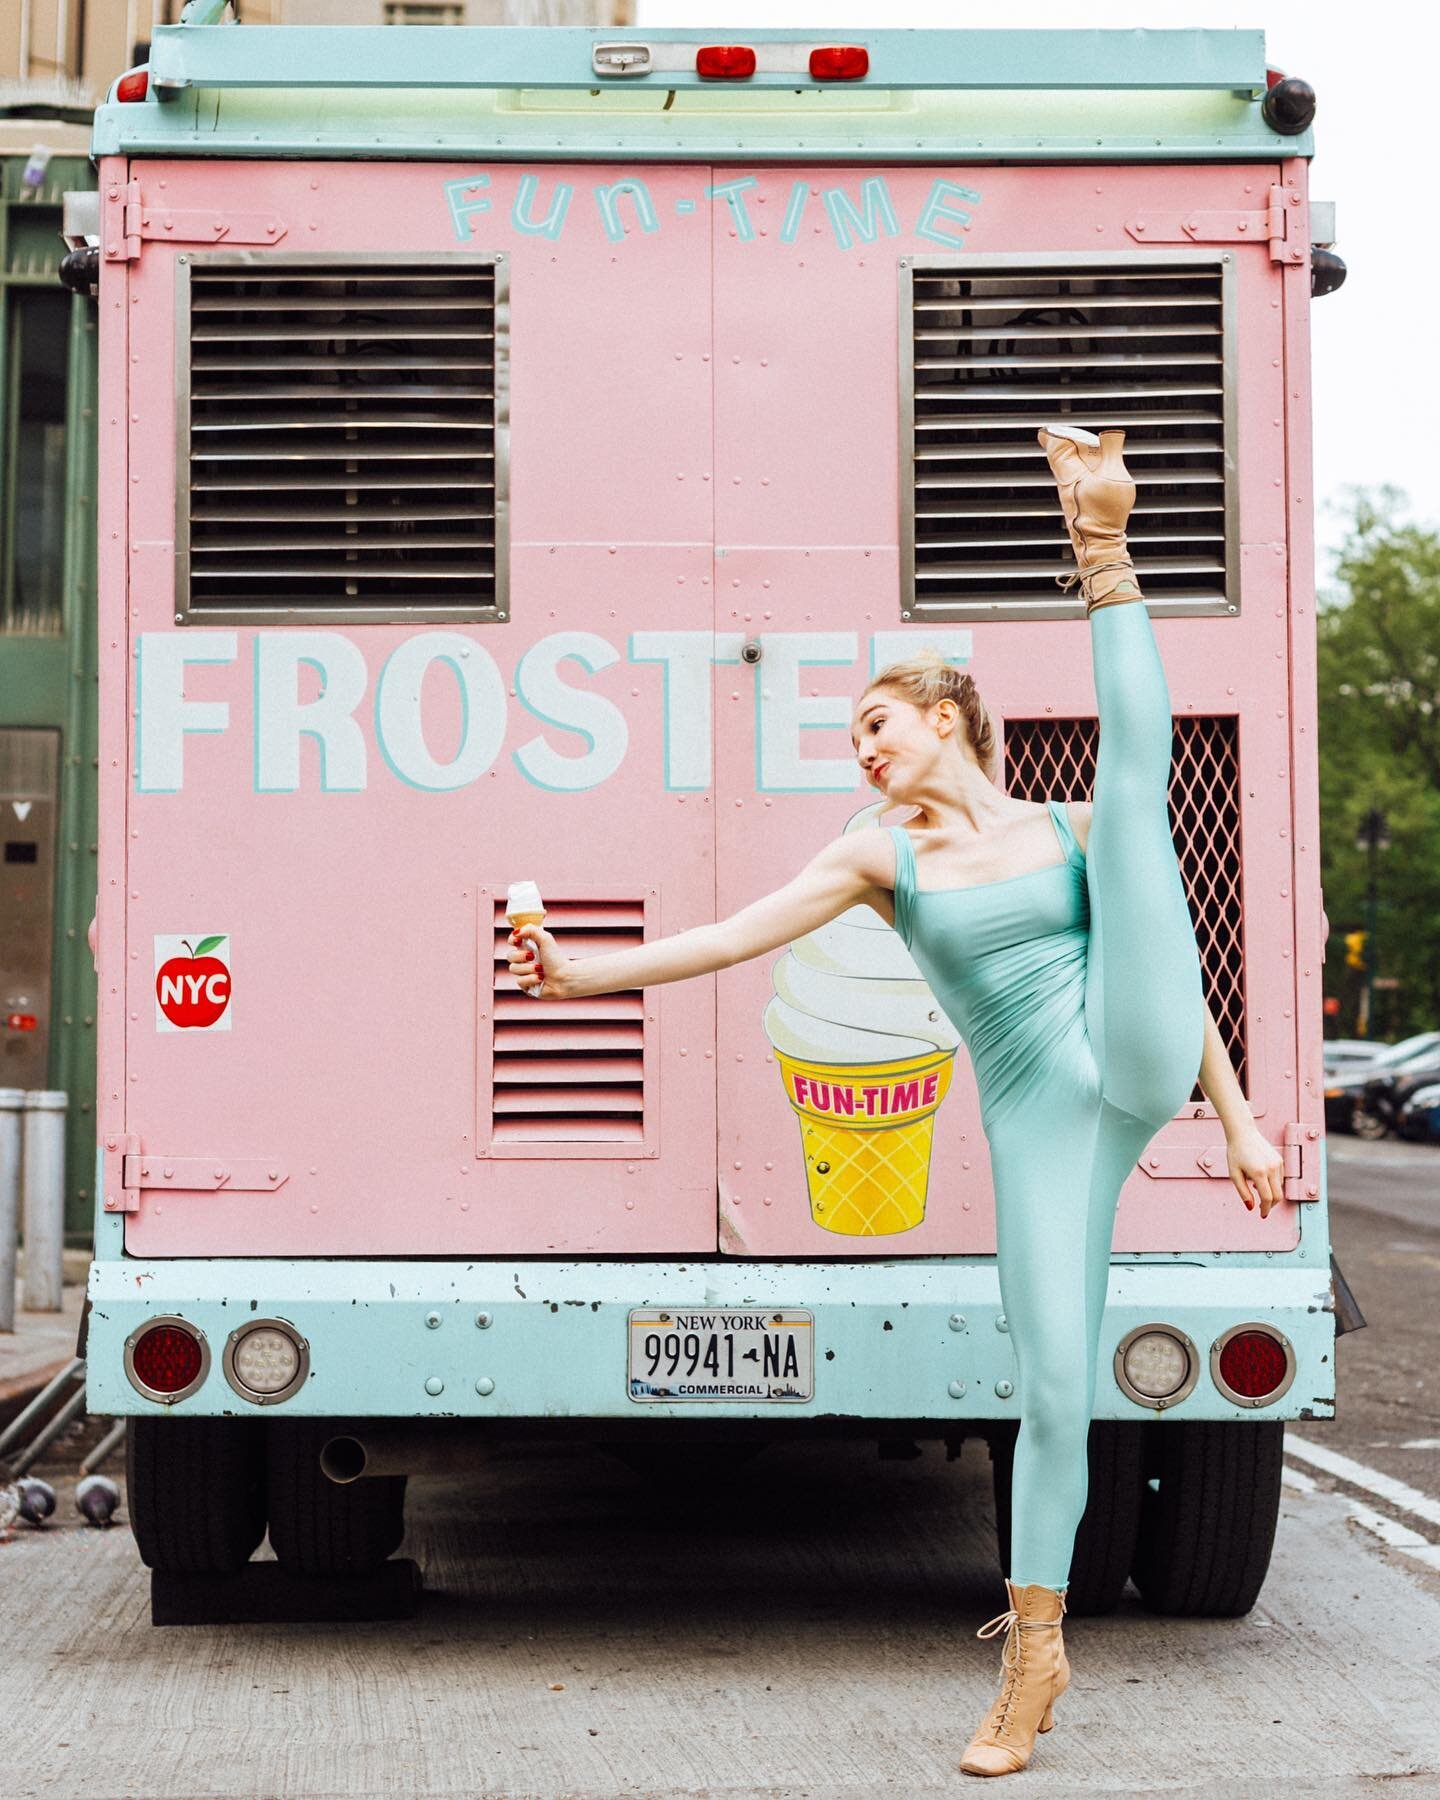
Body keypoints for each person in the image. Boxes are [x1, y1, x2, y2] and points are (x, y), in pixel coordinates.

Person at [507, 427, 1286, 1779]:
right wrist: (579, 977)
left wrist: (1237, 1121)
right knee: (1053, 1389)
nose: (859, 751)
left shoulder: (1069, 830)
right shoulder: (876, 858)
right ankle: (1034, 1659)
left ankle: (1102, 544)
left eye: (873, 723)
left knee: (1141, 804)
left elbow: (1170, 969)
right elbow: (729, 938)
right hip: (1045, 1118)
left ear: (944, 716)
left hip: (1136, 1053)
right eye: (852, 737)